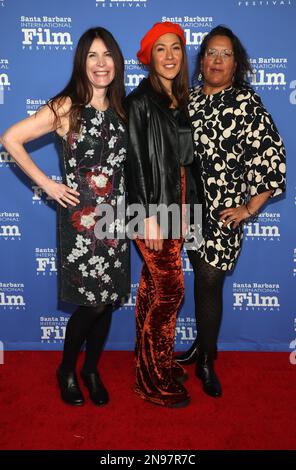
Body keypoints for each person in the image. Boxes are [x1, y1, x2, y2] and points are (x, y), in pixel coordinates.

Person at [0, 27, 130, 407]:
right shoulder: (66, 106)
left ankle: (92, 369)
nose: (101, 63)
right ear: (81, 62)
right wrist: (49, 184)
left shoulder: (124, 107)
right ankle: (67, 369)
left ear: (117, 62)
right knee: (90, 303)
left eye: (107, 55)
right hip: (81, 221)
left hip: (118, 218)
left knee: (107, 300)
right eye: (92, 55)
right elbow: (11, 138)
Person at [176, 25, 286, 397]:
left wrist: (249, 207)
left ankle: (207, 360)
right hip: (189, 209)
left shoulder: (246, 103)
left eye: (225, 54)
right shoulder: (187, 100)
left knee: (210, 282)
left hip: (223, 214)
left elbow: (272, 156)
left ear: (235, 63)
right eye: (210, 53)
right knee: (199, 279)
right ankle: (201, 345)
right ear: (201, 60)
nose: (217, 60)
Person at [126, 22, 197, 408]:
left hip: (179, 207)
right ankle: (152, 382)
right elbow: (136, 163)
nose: (169, 56)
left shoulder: (179, 100)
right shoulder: (140, 102)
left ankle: (154, 362)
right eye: (160, 49)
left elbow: (182, 164)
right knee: (171, 292)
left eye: (176, 48)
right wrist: (147, 216)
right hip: (153, 211)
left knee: (152, 290)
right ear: (149, 58)